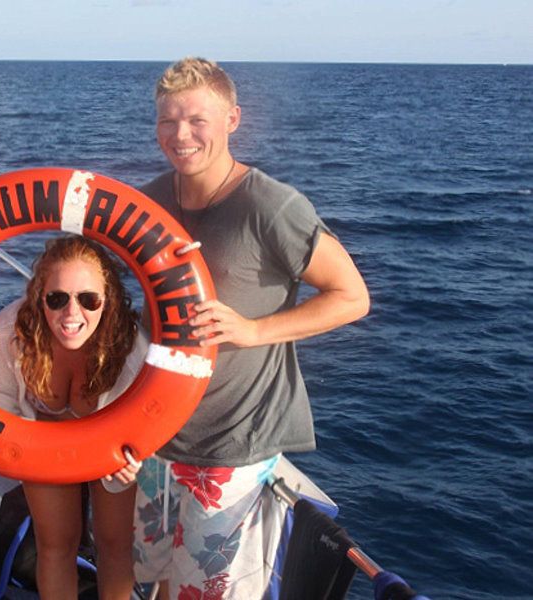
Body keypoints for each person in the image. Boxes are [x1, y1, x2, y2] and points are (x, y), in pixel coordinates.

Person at [132, 57, 371, 598]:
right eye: (168, 120)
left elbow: (352, 297)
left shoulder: (271, 206)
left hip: (231, 446)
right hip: (154, 433)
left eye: (197, 120)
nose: (180, 135)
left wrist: (253, 330)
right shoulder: (149, 201)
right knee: (151, 581)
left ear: (232, 119)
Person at [0, 235, 147, 600]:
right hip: (44, 443)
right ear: (40, 296)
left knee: (115, 545)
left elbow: (149, 413)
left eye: (88, 299)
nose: (72, 314)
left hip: (108, 446)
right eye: (57, 298)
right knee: (55, 546)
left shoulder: (131, 348)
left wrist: (136, 451)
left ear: (108, 299)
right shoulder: (11, 333)